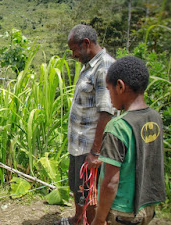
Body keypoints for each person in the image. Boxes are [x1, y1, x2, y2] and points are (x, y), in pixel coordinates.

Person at [91, 56, 165, 225]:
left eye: (109, 90)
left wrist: (99, 218)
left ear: (120, 86)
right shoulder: (155, 118)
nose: (110, 97)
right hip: (147, 207)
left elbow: (110, 182)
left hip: (122, 212)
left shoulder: (117, 127)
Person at [61, 24, 116, 225]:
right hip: (79, 143)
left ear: (86, 43)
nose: (73, 54)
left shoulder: (104, 68)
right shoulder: (90, 66)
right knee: (78, 186)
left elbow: (106, 111)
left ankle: (90, 222)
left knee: (90, 191)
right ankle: (78, 219)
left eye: (74, 49)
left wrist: (96, 151)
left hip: (90, 146)